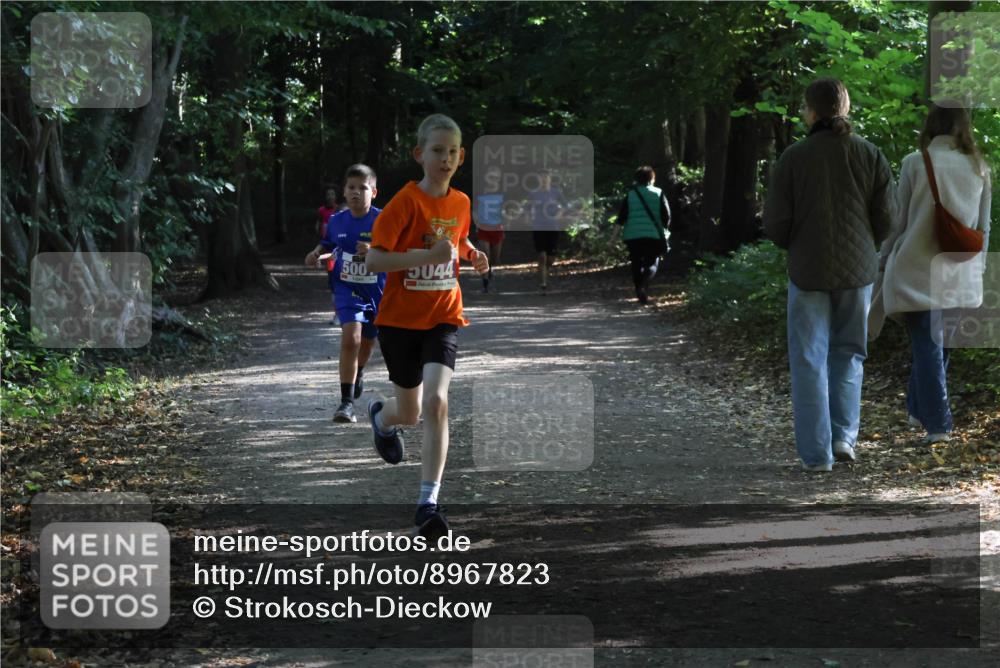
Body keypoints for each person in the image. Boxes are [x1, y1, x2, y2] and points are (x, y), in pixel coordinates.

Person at [365, 114, 489, 538]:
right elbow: (375, 260)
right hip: (399, 321)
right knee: (411, 413)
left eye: (453, 151)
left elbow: (457, 239)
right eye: (437, 150)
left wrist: (471, 253)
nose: (446, 158)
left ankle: (427, 503)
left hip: (443, 315)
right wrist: (428, 257)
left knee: (437, 402)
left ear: (461, 156)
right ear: (420, 155)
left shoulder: (461, 202)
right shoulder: (404, 203)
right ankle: (382, 417)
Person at [763, 77, 894, 471]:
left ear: (812, 112)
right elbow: (887, 218)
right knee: (849, 353)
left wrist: (794, 242)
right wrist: (865, 244)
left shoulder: (793, 158)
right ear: (846, 108)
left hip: (807, 270)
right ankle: (844, 438)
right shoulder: (870, 154)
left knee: (808, 358)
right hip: (858, 271)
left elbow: (776, 222)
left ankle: (816, 455)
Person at [877, 104, 991, 444]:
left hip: (918, 270)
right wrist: (979, 271)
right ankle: (918, 410)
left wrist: (883, 258)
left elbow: (898, 224)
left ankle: (938, 425)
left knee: (928, 347)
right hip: (961, 271)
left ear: (932, 123)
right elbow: (983, 228)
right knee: (938, 349)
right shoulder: (980, 167)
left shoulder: (916, 162)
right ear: (963, 125)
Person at [305, 165, 385, 423]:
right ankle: (346, 403)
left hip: (376, 290)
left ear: (373, 192)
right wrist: (317, 252)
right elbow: (329, 243)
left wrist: (374, 248)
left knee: (369, 341)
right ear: (344, 191)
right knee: (351, 338)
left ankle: (359, 371)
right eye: (351, 187)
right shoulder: (337, 219)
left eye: (362, 188)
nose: (355, 192)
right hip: (346, 286)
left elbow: (398, 247)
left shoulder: (382, 219)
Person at [616, 165, 671, 304]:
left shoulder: (630, 194)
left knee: (636, 263)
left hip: (632, 235)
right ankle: (643, 286)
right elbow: (667, 215)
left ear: (636, 179)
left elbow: (621, 217)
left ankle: (639, 291)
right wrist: (665, 229)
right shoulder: (658, 193)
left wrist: (613, 236)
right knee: (652, 262)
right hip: (653, 234)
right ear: (652, 178)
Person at [527, 170, 565, 294]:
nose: (543, 180)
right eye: (541, 178)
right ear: (538, 179)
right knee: (542, 256)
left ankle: (543, 272)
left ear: (549, 179)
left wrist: (559, 214)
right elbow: (527, 208)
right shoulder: (534, 194)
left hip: (553, 227)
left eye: (546, 178)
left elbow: (565, 205)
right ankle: (543, 284)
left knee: (550, 259)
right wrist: (530, 219)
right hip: (539, 227)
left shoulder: (556, 192)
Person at [316, 186, 348, 325]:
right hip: (333, 263)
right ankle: (338, 314)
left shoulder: (358, 232)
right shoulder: (333, 232)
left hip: (352, 267)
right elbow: (328, 248)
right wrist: (318, 256)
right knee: (335, 288)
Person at [474, 165, 505, 293]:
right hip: (483, 228)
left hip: (497, 228)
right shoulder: (479, 192)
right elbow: (474, 210)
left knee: (494, 258)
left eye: (496, 177)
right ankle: (485, 283)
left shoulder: (503, 193)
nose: (493, 179)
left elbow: (508, 210)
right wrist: (477, 224)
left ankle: (490, 271)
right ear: (486, 178)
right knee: (484, 254)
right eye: (491, 177)